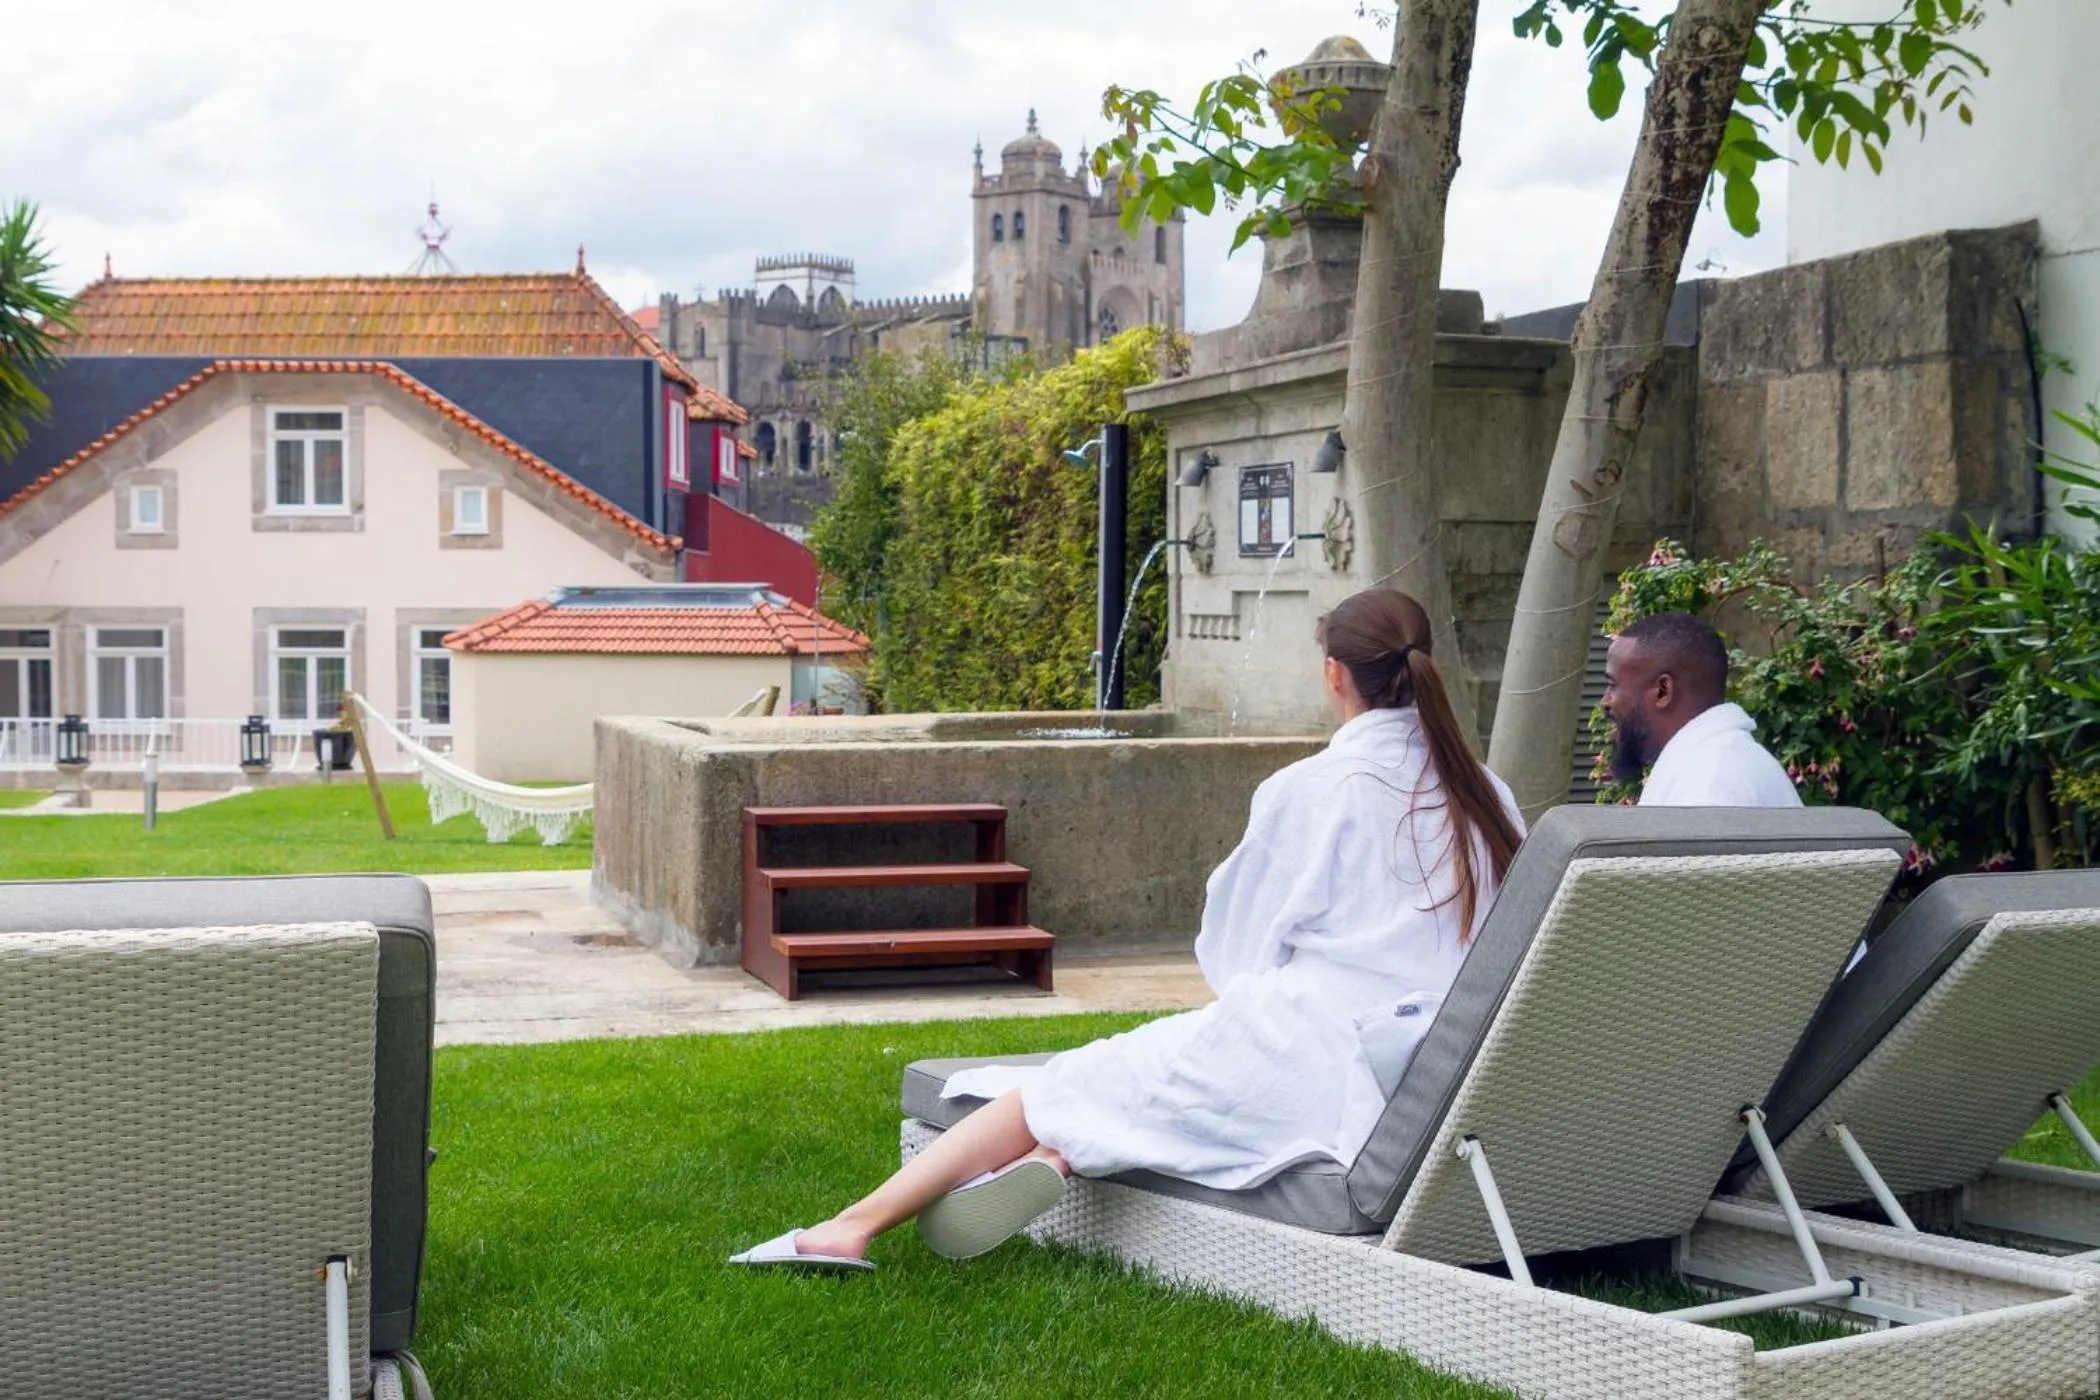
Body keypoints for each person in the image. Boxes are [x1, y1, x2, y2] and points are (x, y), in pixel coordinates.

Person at [730, 588, 1526, 1271]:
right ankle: (1059, 1157)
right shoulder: (1487, 794)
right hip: (1435, 1070)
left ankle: (848, 1228)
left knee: (1064, 1084)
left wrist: (1256, 1010)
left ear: (1335, 676)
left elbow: (1236, 952)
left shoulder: (1316, 788)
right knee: (1137, 1086)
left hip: (1309, 1061)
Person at [1601, 611, 1799, 808]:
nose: (1605, 701)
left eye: (1613, 685)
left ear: (1662, 691)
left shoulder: (1709, 782)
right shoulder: (1709, 764)